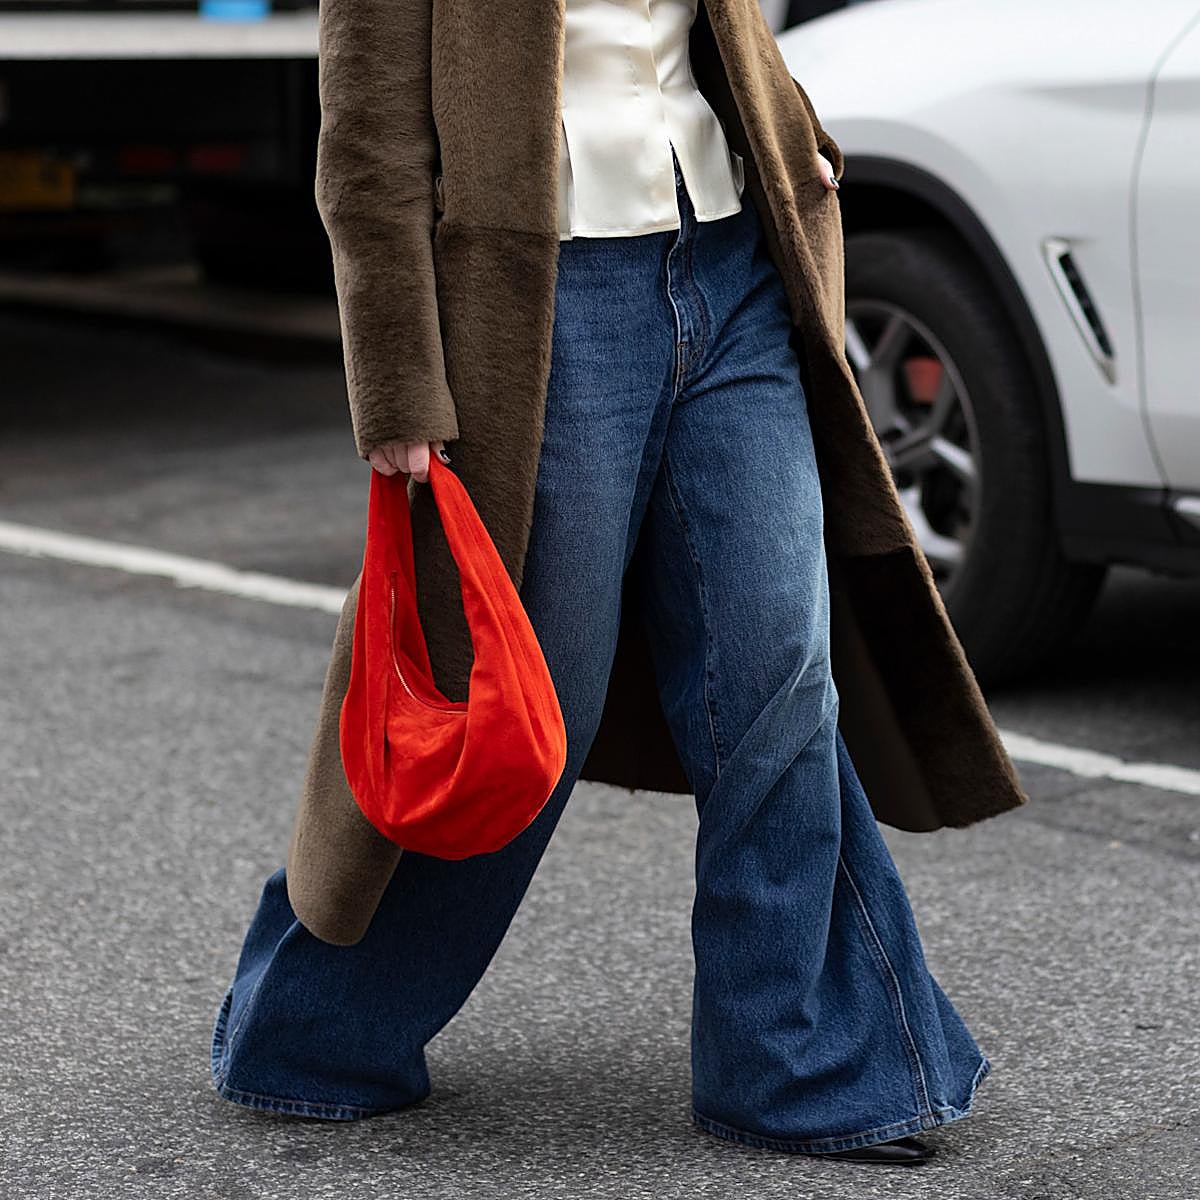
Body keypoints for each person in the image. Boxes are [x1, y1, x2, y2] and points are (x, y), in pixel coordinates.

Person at [210, 0, 997, 1167]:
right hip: (542, 303)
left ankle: (791, 1061)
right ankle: (315, 1029)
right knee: (526, 707)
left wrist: (797, 138)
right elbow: (367, 132)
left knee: (779, 666)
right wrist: (396, 380)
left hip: (730, 264)